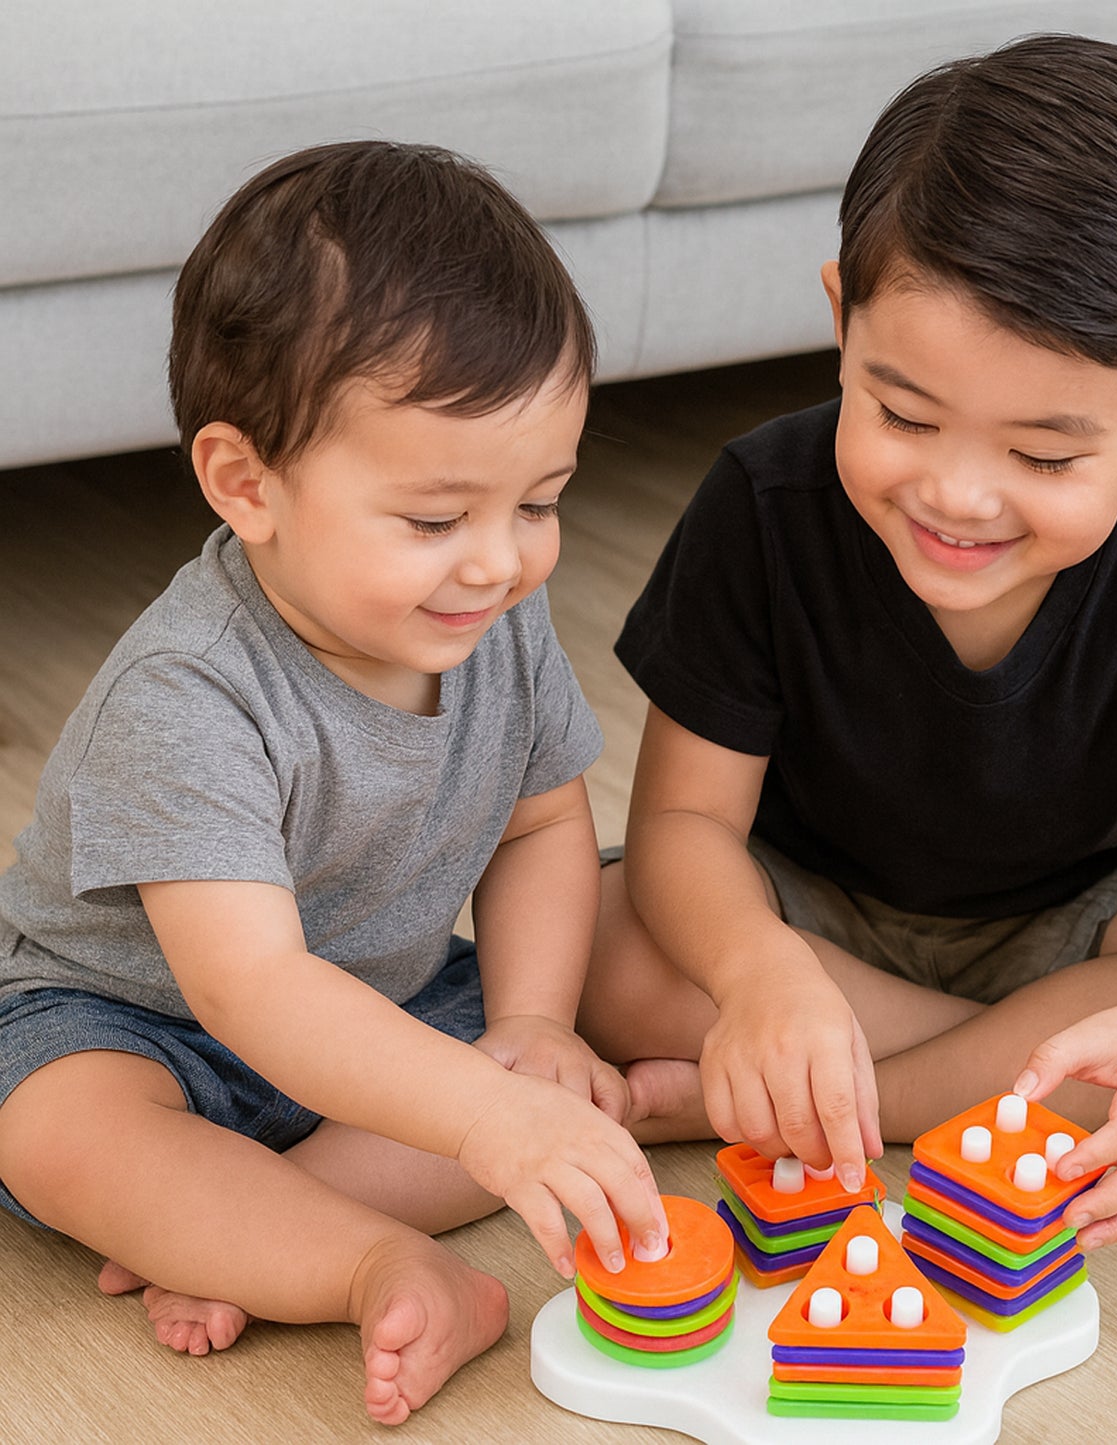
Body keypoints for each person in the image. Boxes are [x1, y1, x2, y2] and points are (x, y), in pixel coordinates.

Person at [579, 36, 1117, 1253]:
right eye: (901, 413)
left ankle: (840, 1105)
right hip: (815, 916)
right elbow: (687, 827)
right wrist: (760, 979)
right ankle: (1021, 1083)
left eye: (1044, 456)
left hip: (1078, 923)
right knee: (592, 940)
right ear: (841, 316)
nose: (957, 495)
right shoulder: (760, 501)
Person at [0, 140, 667, 1427]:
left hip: (386, 1001)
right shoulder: (188, 694)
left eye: (539, 501)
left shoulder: (489, 620)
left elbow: (541, 823)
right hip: (140, 1025)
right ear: (247, 483)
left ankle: (240, 1228)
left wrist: (525, 1026)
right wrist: (486, 1113)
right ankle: (370, 1263)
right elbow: (245, 985)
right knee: (56, 1127)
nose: (498, 562)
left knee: (569, 1024)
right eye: (432, 521)